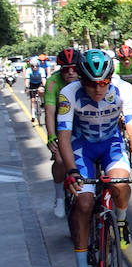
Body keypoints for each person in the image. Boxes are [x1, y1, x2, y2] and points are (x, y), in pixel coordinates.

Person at [57, 50, 132, 267]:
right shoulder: (68, 94)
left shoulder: (124, 89)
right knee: (85, 202)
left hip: (111, 143)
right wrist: (70, 171)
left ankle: (120, 221)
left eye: (103, 83)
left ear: (111, 78)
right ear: (80, 79)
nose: (98, 90)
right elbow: (64, 137)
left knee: (120, 184)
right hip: (81, 147)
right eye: (90, 84)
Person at [42, 48, 82, 218]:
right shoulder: (53, 82)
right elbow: (50, 112)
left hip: (82, 123)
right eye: (66, 69)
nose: (71, 72)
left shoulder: (84, 78)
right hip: (62, 124)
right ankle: (59, 196)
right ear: (60, 69)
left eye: (74, 68)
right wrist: (51, 136)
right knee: (59, 159)